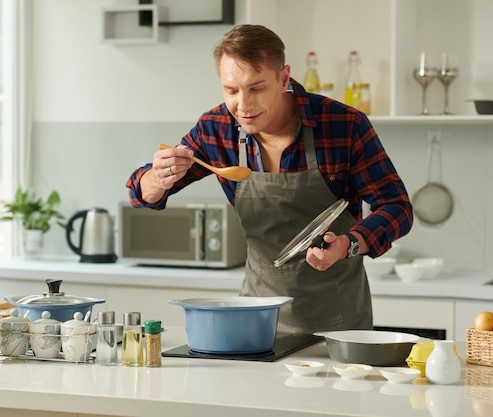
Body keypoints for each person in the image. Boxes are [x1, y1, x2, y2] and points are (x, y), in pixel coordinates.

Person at [126, 24, 413, 336]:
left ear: (284, 77)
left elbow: (397, 207)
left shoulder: (343, 124)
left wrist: (347, 244)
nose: (243, 106)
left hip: (339, 320)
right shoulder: (216, 128)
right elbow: (142, 194)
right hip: (256, 317)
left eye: (256, 89)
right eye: (231, 90)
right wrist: (160, 176)